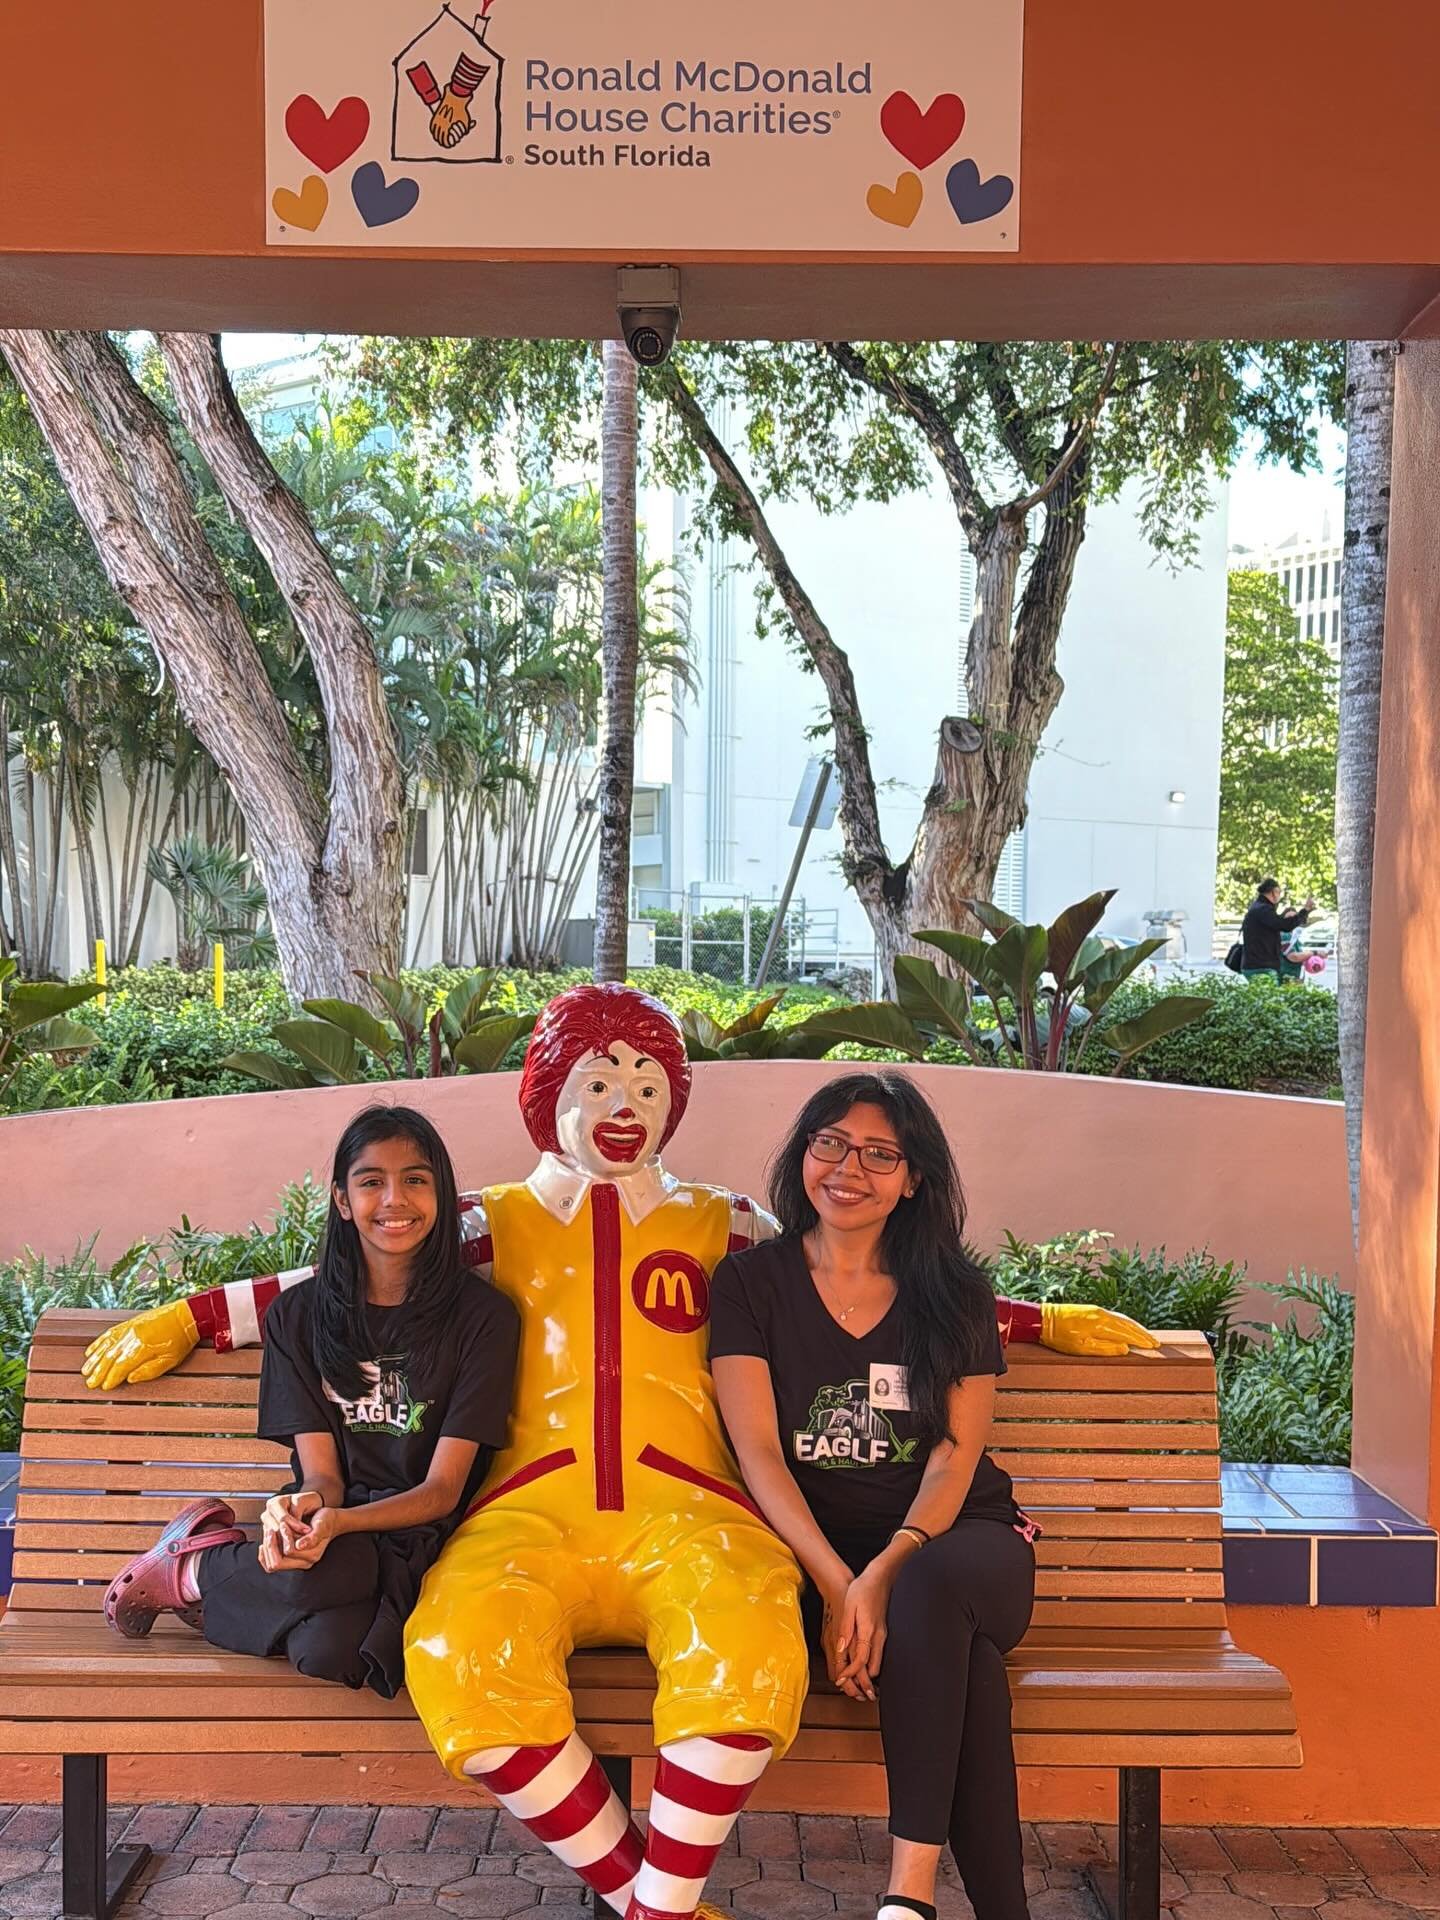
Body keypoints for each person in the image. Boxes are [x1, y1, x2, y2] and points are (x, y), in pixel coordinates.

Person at [81, 984, 1156, 1920]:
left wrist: (1038, 1319)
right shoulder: (485, 1223)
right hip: (523, 1517)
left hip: (696, 1515)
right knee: (458, 1655)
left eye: (645, 1083)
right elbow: (345, 1273)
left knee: (748, 1650)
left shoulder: (723, 1226)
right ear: (548, 1094)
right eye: (597, 1082)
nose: (622, 1104)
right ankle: (663, 1905)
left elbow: (872, 1278)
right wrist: (193, 1315)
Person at [710, 1072, 1040, 1920]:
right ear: (803, 1154)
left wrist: (883, 1572)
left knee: (930, 1594)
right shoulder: (748, 1284)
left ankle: (908, 1895)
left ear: (914, 1177)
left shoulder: (955, 1292)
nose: (849, 1169)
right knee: (970, 1673)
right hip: (818, 1555)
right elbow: (759, 1453)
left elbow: (954, 1456)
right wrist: (835, 1583)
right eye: (831, 1144)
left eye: (880, 1155)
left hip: (956, 1542)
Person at [102, 1105, 519, 1700]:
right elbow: (324, 1477)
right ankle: (226, 1579)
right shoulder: (298, 1316)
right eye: (371, 1181)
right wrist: (298, 1507)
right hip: (332, 1530)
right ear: (343, 1200)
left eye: (415, 1179)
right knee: (337, 1587)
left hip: (432, 1533)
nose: (395, 1199)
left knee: (329, 1650)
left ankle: (202, 1575)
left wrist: (340, 1524)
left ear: (442, 1195)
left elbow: (442, 1490)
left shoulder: (485, 1318)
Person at [1240, 879, 1316, 981]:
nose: (1279, 896)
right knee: (1269, 991)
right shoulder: (1263, 909)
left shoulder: (1258, 907)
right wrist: (1305, 910)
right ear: (1273, 892)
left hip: (1257, 964)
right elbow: (1284, 925)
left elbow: (1278, 924)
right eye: (1279, 892)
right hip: (1261, 966)